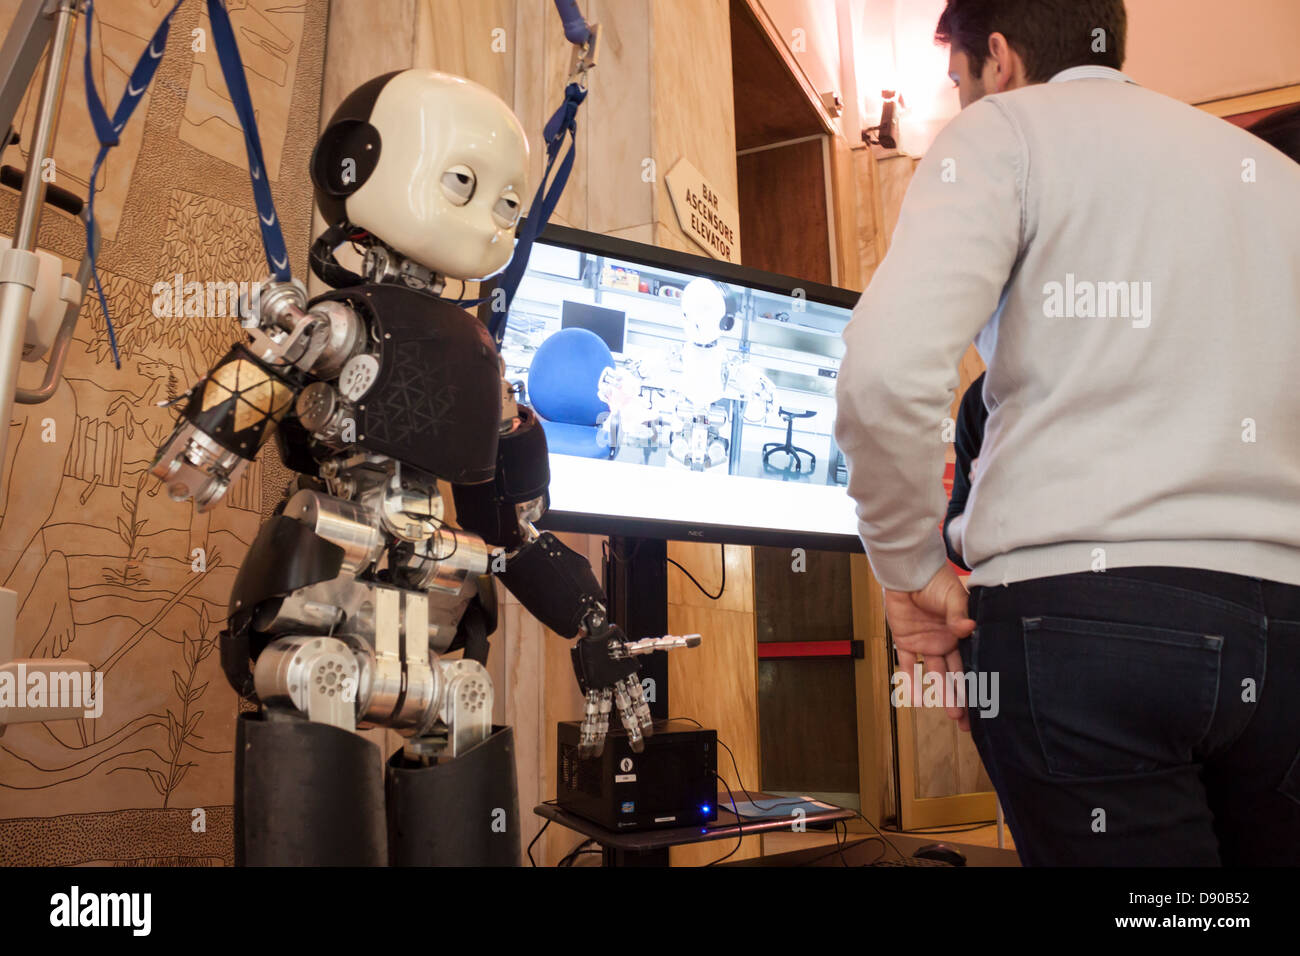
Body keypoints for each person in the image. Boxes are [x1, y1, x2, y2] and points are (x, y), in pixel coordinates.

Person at [834, 0, 1300, 865]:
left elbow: (885, 376)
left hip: (1086, 630)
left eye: (959, 81)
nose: (965, 99)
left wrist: (909, 568)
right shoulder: (1273, 173)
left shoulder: (1004, 131)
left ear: (998, 59)